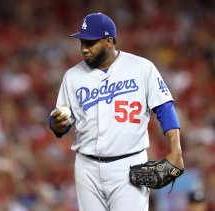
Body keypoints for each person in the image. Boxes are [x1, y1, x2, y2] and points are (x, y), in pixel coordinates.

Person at [49, 12, 184, 211]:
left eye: (90, 43)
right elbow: (62, 122)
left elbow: (164, 107)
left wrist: (176, 149)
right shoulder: (72, 76)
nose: (84, 49)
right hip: (86, 167)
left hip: (128, 164)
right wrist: (56, 125)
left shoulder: (141, 67)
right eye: (82, 43)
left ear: (109, 41)